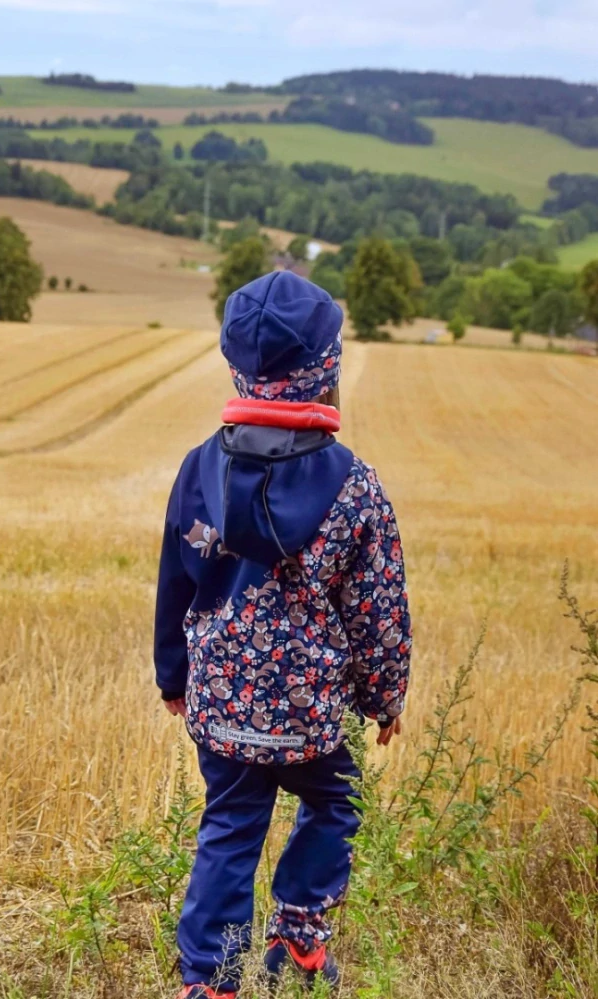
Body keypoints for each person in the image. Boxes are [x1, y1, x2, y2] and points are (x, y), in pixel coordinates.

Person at [154, 270, 412, 998]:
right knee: (337, 801)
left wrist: (173, 676)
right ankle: (299, 939)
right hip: (310, 719)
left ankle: (210, 981)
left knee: (230, 829)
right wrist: (384, 695)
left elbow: (175, 580)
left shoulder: (199, 467)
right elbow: (378, 610)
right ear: (326, 367)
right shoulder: (355, 485)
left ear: (236, 362)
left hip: (224, 710)